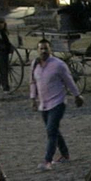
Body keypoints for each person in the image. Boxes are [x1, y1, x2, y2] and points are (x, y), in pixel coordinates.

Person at [29, 38, 83, 172]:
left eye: (46, 48)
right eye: (41, 48)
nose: (43, 51)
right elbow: (32, 82)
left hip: (58, 102)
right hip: (44, 104)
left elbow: (68, 80)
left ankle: (47, 161)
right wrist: (33, 99)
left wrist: (77, 95)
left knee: (51, 131)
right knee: (53, 130)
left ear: (50, 49)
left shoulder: (58, 65)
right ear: (37, 50)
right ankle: (65, 154)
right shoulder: (35, 64)